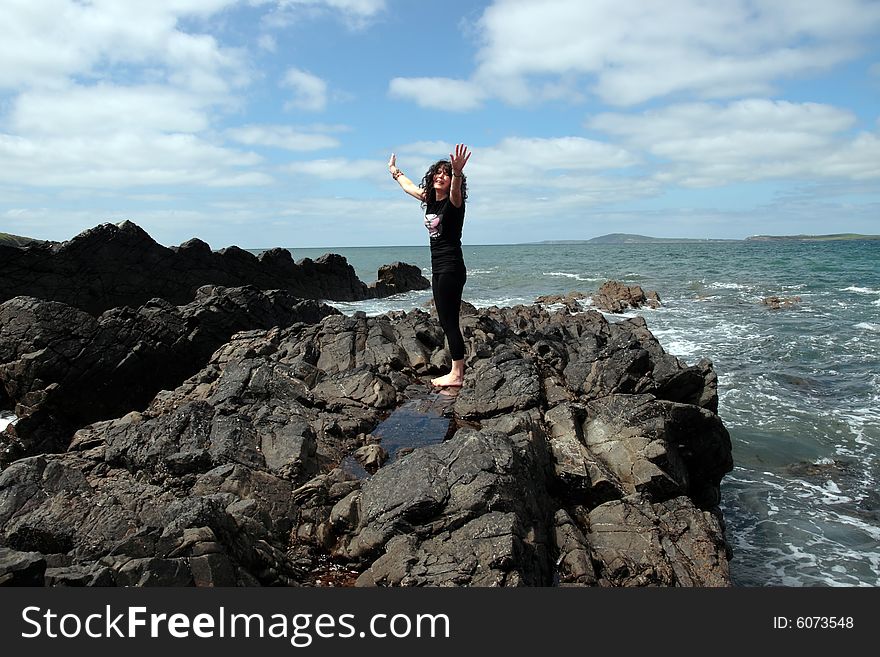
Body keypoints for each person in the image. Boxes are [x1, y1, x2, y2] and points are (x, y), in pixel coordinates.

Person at [388, 144, 471, 387]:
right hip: (439, 268)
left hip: (451, 267)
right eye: (438, 172)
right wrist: (394, 170)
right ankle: (456, 370)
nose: (440, 176)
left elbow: (455, 190)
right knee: (446, 320)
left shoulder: (454, 203)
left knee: (449, 321)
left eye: (445, 173)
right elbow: (408, 187)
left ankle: (457, 375)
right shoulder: (430, 199)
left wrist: (456, 173)